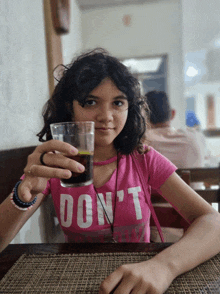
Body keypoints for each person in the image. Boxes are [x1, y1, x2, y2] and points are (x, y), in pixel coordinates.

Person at [0, 49, 220, 294]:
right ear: (70, 107)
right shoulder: (55, 162)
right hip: (74, 278)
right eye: (91, 102)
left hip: (142, 277)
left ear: (129, 108)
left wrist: (163, 267)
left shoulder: (143, 158)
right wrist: (23, 194)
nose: (106, 116)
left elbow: (214, 222)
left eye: (118, 102)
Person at [145, 91, 207, 169]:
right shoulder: (197, 137)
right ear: (173, 113)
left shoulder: (143, 142)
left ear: (144, 117)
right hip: (192, 181)